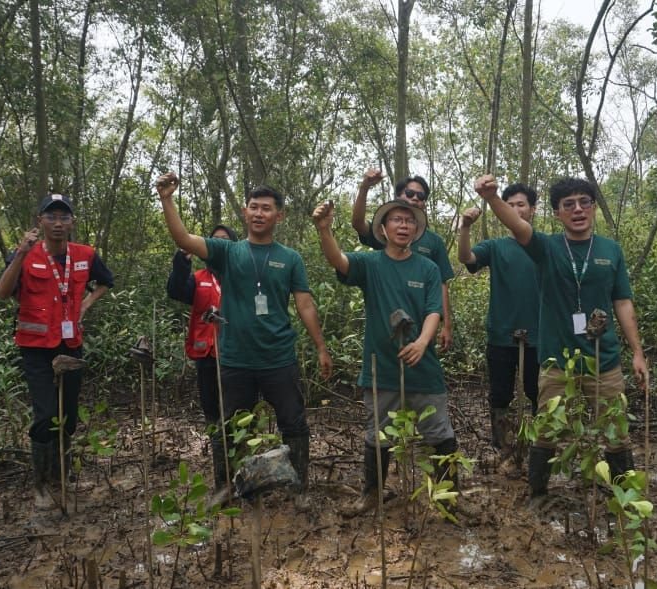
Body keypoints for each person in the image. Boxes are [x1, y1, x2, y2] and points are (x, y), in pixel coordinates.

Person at [155, 172, 332, 510]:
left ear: (279, 216)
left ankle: (300, 490)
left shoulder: (290, 258)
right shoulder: (227, 252)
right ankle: (225, 486)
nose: (258, 213)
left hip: (279, 357)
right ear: (245, 213)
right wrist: (167, 199)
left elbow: (305, 304)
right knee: (229, 426)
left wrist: (321, 347)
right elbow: (183, 237)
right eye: (253, 207)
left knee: (293, 423)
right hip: (235, 357)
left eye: (266, 208)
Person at [474, 174, 648, 504]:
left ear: (594, 208)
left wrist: (637, 352)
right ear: (557, 213)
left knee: (616, 432)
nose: (578, 209)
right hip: (557, 360)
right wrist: (493, 198)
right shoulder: (548, 247)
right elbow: (520, 227)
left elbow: (623, 302)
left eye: (585, 202)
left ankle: (624, 497)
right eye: (569, 205)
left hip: (604, 359)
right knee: (549, 429)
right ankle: (538, 494)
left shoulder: (611, 250)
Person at [313, 199, 456, 516]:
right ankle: (372, 494)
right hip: (382, 367)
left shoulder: (428, 268)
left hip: (424, 367)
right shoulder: (371, 264)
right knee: (378, 436)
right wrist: (325, 230)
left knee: (440, 435)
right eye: (397, 221)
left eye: (409, 221)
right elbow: (339, 260)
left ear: (416, 230)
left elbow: (434, 310)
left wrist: (422, 342)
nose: (404, 226)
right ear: (383, 229)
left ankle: (449, 499)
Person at [0, 193, 114, 509]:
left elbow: (106, 281)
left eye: (64, 217)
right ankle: (41, 484)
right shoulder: (26, 254)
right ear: (40, 221)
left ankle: (62, 478)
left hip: (71, 343)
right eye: (51, 217)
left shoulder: (85, 254)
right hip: (35, 348)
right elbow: (3, 292)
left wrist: (87, 303)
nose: (58, 223)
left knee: (68, 415)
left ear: (72, 222)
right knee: (47, 413)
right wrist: (20, 254)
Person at [457, 183, 541, 465]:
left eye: (521, 205)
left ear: (533, 210)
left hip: (539, 336)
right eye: (511, 205)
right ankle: (504, 451)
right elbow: (466, 258)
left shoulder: (544, 246)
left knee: (538, 393)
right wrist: (465, 227)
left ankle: (538, 448)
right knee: (501, 395)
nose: (516, 210)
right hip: (501, 334)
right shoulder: (495, 246)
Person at [166, 224, 238, 487]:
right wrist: (182, 261)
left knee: (237, 411)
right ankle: (222, 478)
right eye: (214, 241)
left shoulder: (239, 276)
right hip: (206, 355)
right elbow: (176, 290)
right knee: (213, 414)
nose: (219, 245)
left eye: (225, 241)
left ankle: (241, 470)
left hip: (235, 355)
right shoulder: (197, 278)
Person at [351, 169, 455, 351]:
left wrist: (446, 324)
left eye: (421, 196)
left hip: (423, 318)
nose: (415, 198)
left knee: (420, 361)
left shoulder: (434, 241)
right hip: (386, 316)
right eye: (409, 193)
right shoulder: (386, 232)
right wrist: (365, 187)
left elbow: (442, 285)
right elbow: (358, 224)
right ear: (398, 196)